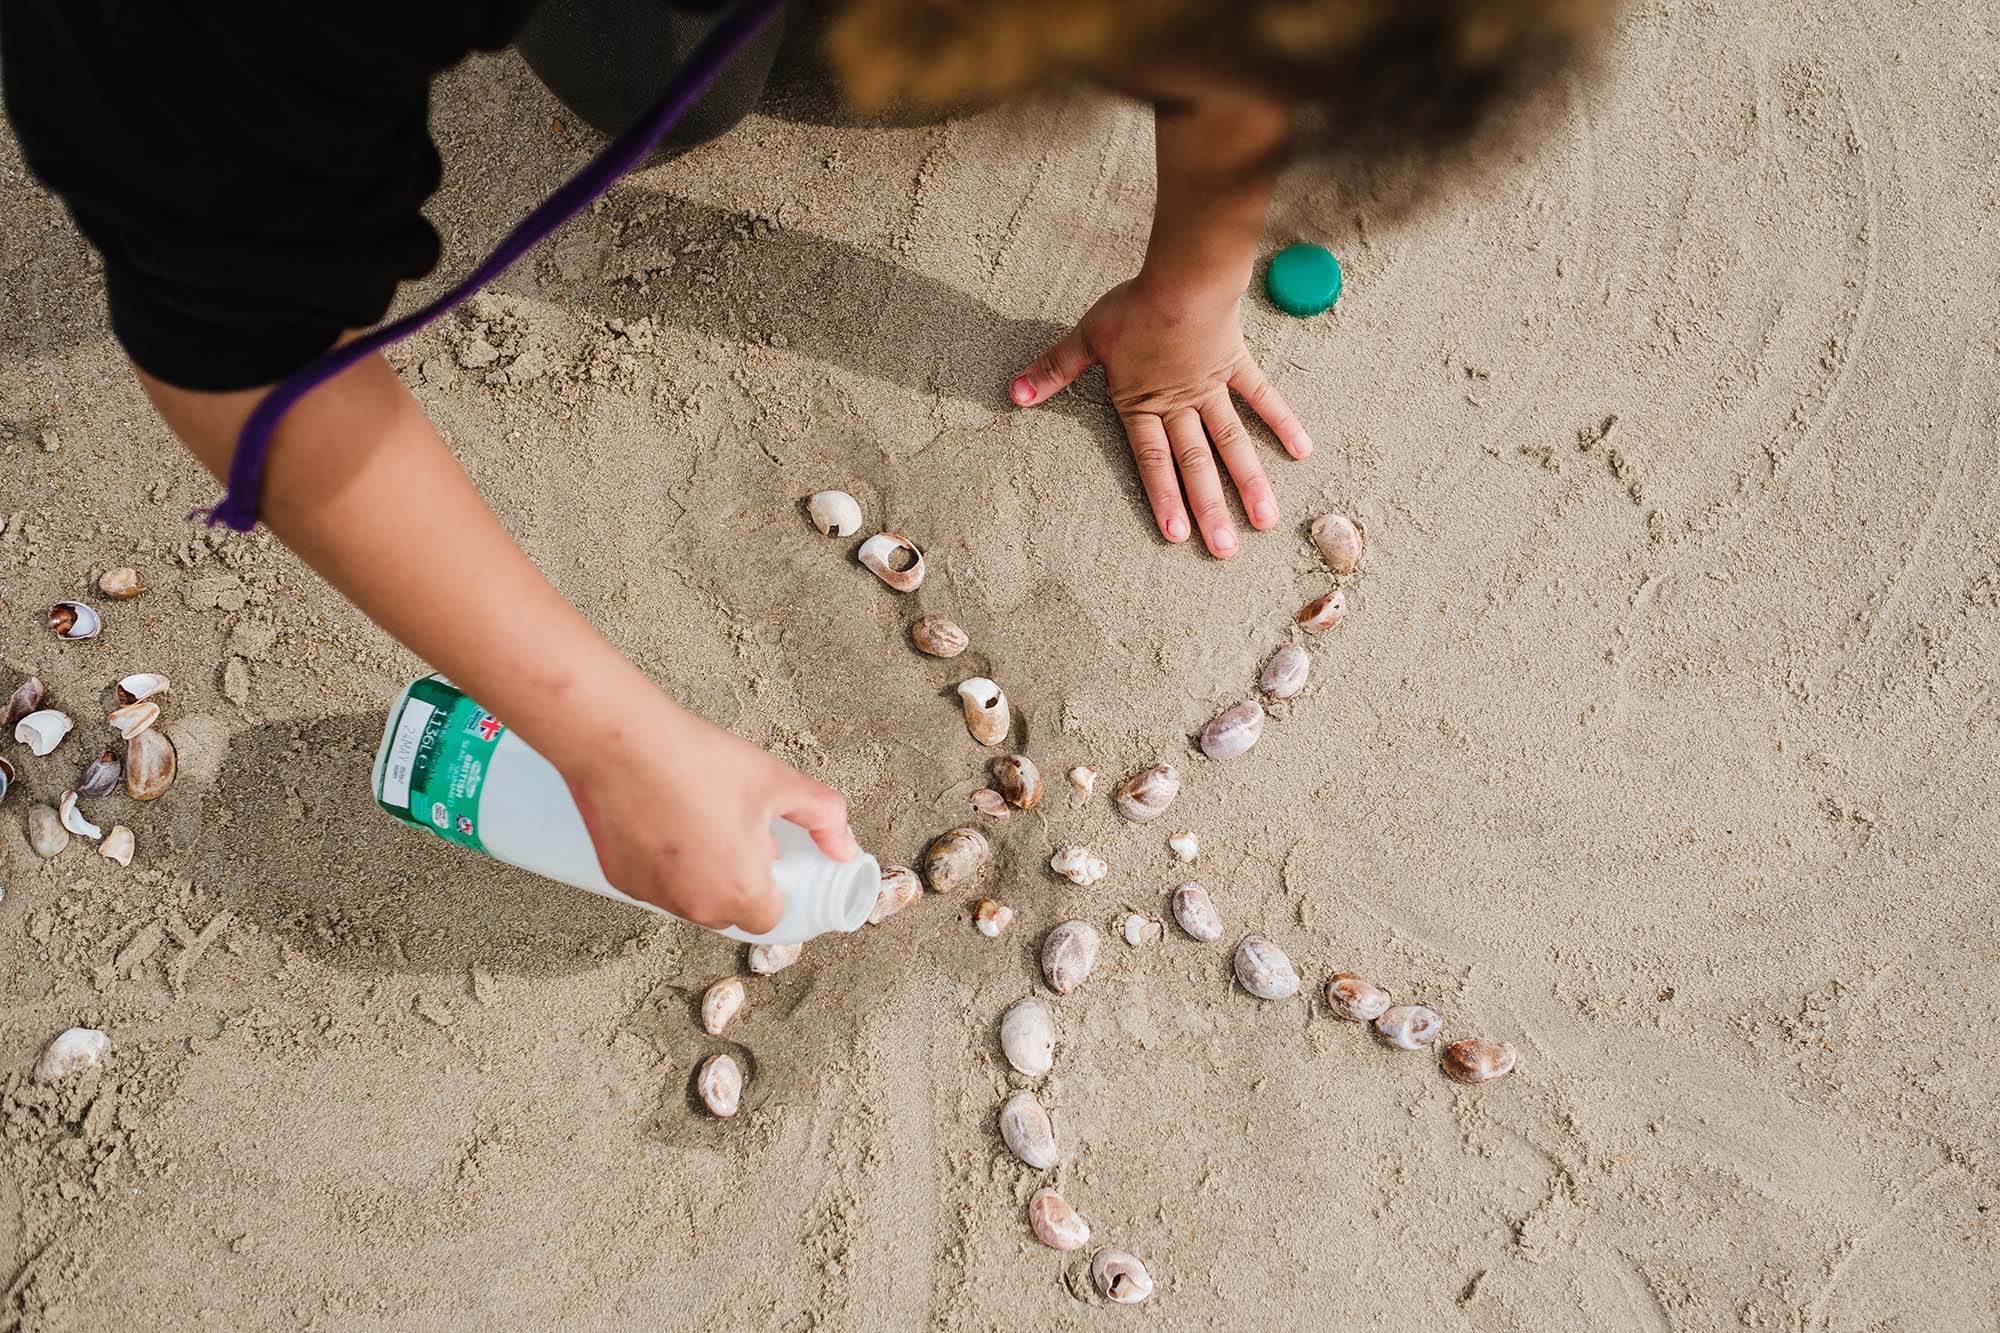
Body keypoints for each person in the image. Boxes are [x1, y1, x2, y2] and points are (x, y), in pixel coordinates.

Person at [1, 0, 1604, 935]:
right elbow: (241, 350)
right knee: (643, 78)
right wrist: (611, 743)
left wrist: (1193, 286)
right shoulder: (198, 41)